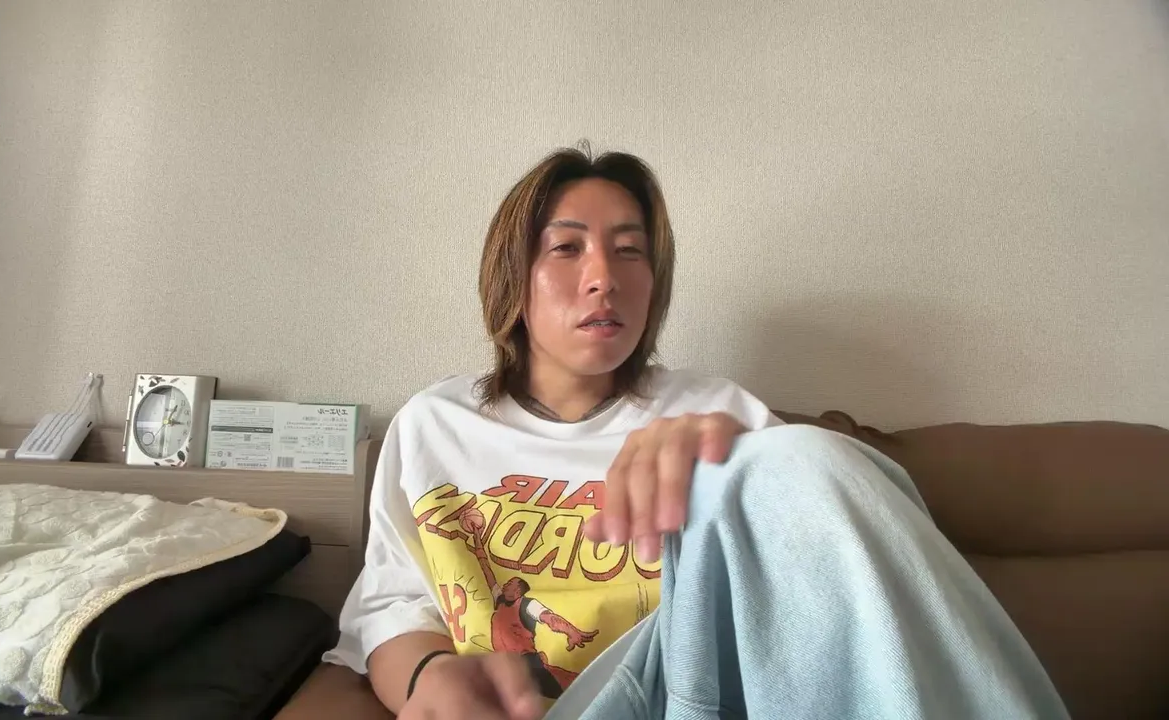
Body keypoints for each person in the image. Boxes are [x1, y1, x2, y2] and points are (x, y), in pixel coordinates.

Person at [322, 146, 1068, 719]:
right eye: (567, 247)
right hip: (545, 706)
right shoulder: (434, 425)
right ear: (512, 276)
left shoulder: (712, 408)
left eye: (630, 250)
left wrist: (737, 464)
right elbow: (392, 608)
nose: (604, 278)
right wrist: (431, 675)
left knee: (802, 458)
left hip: (691, 689)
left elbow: (833, 574)